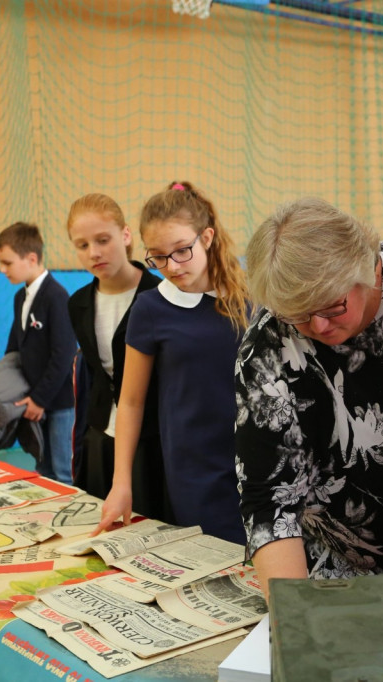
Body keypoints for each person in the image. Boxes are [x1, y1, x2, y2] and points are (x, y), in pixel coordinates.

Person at [235, 197, 383, 590]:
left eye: (332, 306)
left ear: (371, 270)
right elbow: (269, 497)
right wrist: (292, 612)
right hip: (336, 562)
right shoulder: (268, 343)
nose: (319, 327)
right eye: (298, 314)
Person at [92, 181, 248, 544]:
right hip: (193, 467)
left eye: (181, 251)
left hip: (254, 460)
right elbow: (131, 401)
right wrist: (121, 482)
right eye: (158, 257)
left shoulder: (248, 299)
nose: (171, 266)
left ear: (206, 237)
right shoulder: (150, 308)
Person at [65, 193, 169, 520]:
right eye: (82, 245)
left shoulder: (160, 296)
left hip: (153, 440)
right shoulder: (78, 303)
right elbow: (96, 376)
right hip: (100, 436)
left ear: (125, 235)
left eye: (102, 240)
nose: (94, 253)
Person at [0, 222, 76, 483]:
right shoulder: (20, 298)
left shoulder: (56, 296)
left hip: (58, 403)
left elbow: (64, 355)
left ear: (31, 258)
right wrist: (7, 390)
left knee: (62, 472)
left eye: (7, 263)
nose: (2, 270)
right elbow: (13, 350)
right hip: (33, 402)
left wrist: (39, 399)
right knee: (43, 470)